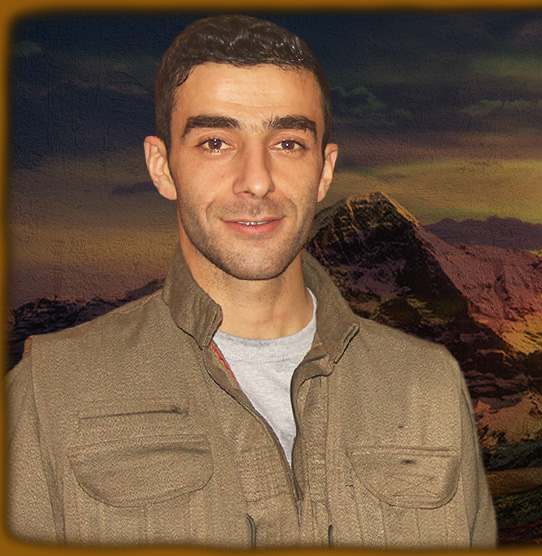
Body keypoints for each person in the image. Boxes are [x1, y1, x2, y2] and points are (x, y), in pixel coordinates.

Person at [6, 15, 496, 548]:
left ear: (325, 170)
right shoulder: (50, 391)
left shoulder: (430, 387)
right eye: (216, 142)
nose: (257, 181)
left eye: (288, 143)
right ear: (162, 166)